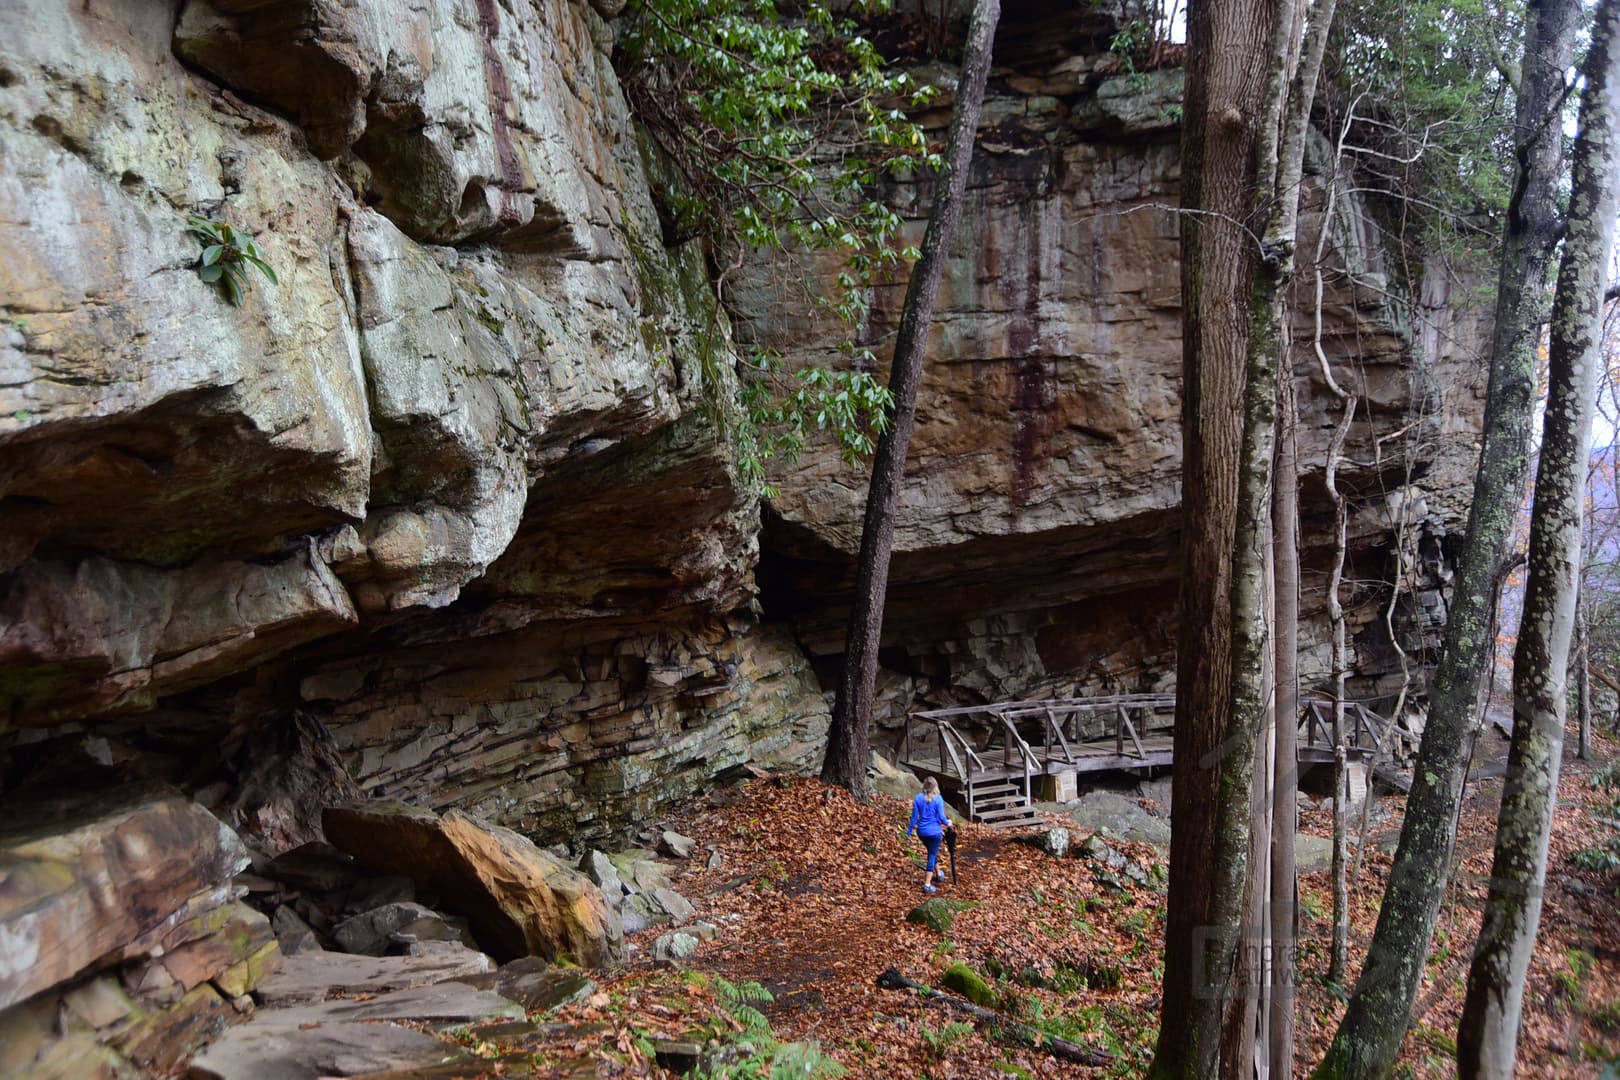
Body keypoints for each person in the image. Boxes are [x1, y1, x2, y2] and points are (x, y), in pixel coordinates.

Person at [905, 776, 951, 894]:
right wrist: (948, 823)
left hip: (922, 832)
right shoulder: (938, 799)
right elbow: (941, 817)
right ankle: (927, 884)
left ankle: (939, 873)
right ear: (936, 786)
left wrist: (909, 831)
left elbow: (914, 817)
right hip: (935, 833)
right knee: (931, 854)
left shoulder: (918, 798)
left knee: (932, 851)